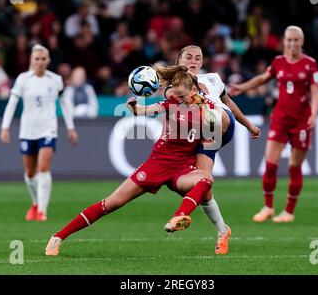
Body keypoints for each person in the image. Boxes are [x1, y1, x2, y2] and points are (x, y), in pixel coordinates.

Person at [45, 65, 225, 256]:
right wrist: (136, 108)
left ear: (194, 91)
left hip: (182, 168)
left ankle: (179, 217)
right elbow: (148, 110)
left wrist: (204, 111)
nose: (177, 99)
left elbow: (216, 128)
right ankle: (57, 238)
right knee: (111, 203)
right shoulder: (172, 103)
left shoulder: (209, 107)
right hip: (158, 163)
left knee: (206, 180)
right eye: (176, 96)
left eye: (182, 96)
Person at [168, 45, 260, 254]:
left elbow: (229, 102)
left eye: (198, 58)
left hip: (221, 122)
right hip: (203, 139)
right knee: (203, 185)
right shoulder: (173, 85)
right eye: (189, 57)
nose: (194, 61)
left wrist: (248, 124)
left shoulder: (212, 79)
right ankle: (222, 231)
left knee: (214, 113)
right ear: (179, 61)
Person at [229, 26, 318, 223]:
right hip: (280, 119)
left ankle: (288, 211)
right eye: (289, 40)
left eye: (296, 40)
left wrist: (314, 113)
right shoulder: (278, 62)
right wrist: (242, 87)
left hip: (301, 122)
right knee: (270, 165)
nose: (292, 43)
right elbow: (263, 78)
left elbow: (315, 92)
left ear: (302, 42)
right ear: (284, 41)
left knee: (294, 167)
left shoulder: (310, 64)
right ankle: (268, 207)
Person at [0, 44, 78, 221]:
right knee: (29, 173)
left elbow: (64, 104)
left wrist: (70, 127)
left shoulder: (56, 80)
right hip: (27, 130)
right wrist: (5, 127)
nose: (40, 62)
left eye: (43, 59)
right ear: (31, 60)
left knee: (44, 168)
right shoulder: (23, 79)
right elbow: (11, 104)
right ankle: (35, 203)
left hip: (48, 128)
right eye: (37, 59)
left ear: (48, 60)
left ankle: (42, 210)